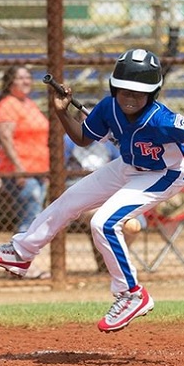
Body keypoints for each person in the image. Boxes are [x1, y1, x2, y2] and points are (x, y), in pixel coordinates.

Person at [0, 48, 184, 332]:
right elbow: (82, 139)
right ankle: (22, 253)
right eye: (124, 90)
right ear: (115, 87)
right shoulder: (108, 107)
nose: (130, 98)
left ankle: (132, 295)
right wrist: (62, 113)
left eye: (139, 93)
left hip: (165, 174)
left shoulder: (163, 120)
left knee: (104, 223)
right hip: (129, 166)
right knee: (69, 200)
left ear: (152, 95)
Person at [64, 104, 144, 273]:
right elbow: (58, 172)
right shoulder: (69, 140)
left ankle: (110, 264)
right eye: (86, 117)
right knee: (102, 218)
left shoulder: (109, 140)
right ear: (78, 120)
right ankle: (113, 266)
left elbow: (125, 164)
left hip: (109, 189)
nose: (92, 121)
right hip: (80, 190)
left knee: (134, 225)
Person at [0, 65, 51, 279]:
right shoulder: (7, 105)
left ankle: (18, 263)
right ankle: (19, 264)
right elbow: (6, 138)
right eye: (20, 78)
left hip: (37, 171)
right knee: (30, 218)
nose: (26, 81)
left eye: (28, 77)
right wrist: (19, 168)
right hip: (20, 172)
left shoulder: (29, 104)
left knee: (34, 218)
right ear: (10, 82)